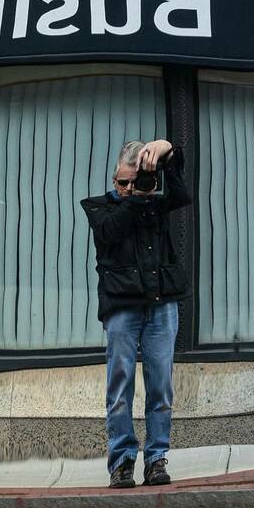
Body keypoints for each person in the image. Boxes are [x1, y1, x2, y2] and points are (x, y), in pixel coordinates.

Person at [81, 138, 192, 488]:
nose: (129, 188)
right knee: (120, 386)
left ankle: (157, 459)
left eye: (136, 181)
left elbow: (183, 195)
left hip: (161, 306)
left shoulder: (155, 204)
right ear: (114, 180)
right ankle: (122, 461)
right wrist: (136, 198)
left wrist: (167, 149)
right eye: (122, 182)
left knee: (160, 386)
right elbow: (110, 233)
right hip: (121, 308)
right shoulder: (99, 207)